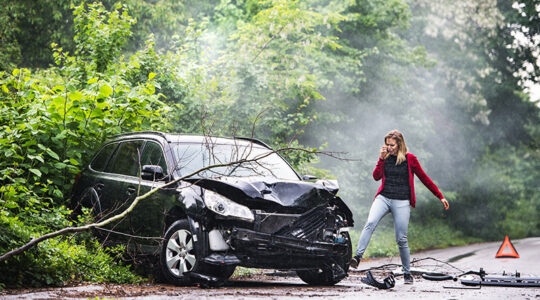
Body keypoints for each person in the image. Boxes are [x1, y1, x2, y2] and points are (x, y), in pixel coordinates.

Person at [350, 130, 449, 284]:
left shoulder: (410, 159)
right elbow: (376, 177)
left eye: (392, 145)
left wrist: (440, 196)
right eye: (387, 144)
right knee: (370, 223)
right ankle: (357, 257)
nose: (389, 148)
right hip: (384, 197)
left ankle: (407, 273)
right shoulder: (385, 158)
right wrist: (381, 159)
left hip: (401, 201)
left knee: (401, 239)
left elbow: (424, 178)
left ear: (399, 144)